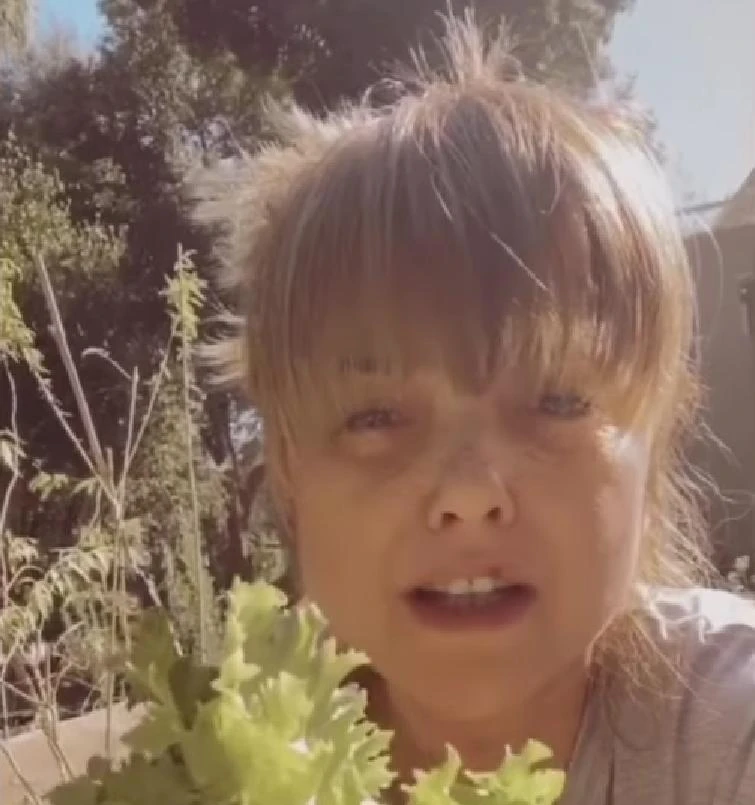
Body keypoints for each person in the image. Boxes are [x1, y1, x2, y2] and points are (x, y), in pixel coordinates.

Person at [193, 13, 755, 804]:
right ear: (290, 470)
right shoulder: (220, 766)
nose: (468, 493)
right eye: (374, 417)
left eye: (557, 400)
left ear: (653, 436)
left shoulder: (722, 731)